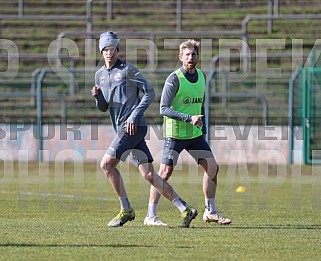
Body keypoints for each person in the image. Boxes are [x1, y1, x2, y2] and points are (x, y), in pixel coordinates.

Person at [91, 32, 197, 228]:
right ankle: (185, 209)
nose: (109, 53)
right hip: (123, 129)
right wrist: (98, 97)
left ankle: (126, 210)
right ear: (101, 51)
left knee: (106, 165)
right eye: (105, 49)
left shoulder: (128, 70)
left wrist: (132, 116)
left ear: (117, 49)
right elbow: (104, 108)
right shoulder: (99, 75)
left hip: (132, 127)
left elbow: (150, 92)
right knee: (149, 175)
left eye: (112, 48)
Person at [144, 39, 231, 226]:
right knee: (164, 172)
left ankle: (210, 211)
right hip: (175, 134)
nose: (191, 57)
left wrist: (203, 129)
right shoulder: (174, 79)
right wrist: (187, 118)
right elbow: (163, 108)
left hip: (195, 135)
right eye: (187, 55)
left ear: (198, 56)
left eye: (194, 54)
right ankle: (150, 215)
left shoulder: (201, 76)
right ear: (180, 57)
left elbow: (201, 106)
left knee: (213, 168)